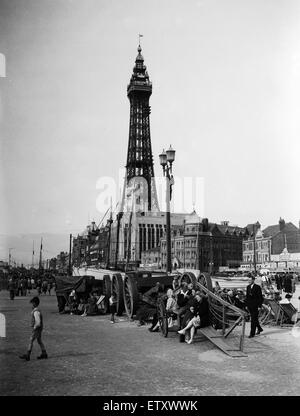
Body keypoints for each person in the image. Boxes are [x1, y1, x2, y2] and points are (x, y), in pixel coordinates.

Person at [19, 296, 48, 361]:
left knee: (31, 340)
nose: (31, 305)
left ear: (35, 303)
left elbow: (38, 322)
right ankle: (44, 353)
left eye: (32, 303)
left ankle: (28, 355)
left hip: (37, 329)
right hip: (39, 328)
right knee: (39, 340)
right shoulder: (36, 310)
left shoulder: (36, 311)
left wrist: (35, 327)